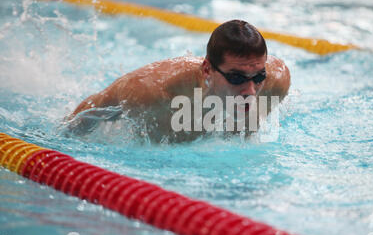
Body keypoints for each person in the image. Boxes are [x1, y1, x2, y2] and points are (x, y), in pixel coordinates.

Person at [66, 20, 291, 143]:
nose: (250, 90)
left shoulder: (275, 83)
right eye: (236, 78)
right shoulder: (151, 92)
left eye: (258, 77)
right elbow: (88, 114)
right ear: (207, 70)